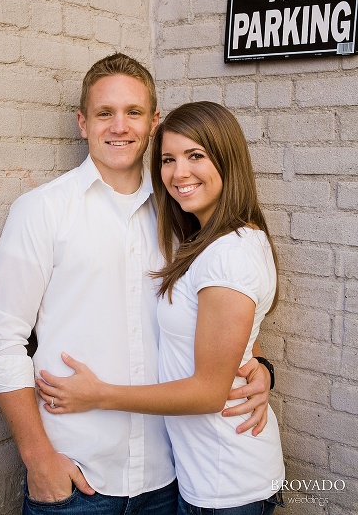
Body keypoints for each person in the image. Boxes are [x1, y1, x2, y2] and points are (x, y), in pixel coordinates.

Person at [0, 54, 273, 514]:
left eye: (133, 112)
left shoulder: (181, 219)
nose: (120, 126)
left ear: (154, 121)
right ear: (82, 122)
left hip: (168, 476)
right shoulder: (42, 210)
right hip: (77, 474)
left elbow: (217, 316)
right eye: (104, 113)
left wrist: (258, 367)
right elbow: (1, 337)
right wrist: (38, 459)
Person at [36, 101, 285, 513]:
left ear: (227, 159)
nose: (178, 173)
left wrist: (100, 395)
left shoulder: (229, 254)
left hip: (228, 480)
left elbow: (208, 392)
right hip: (203, 474)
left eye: (196, 156)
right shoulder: (210, 242)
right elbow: (240, 341)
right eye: (168, 159)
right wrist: (262, 368)